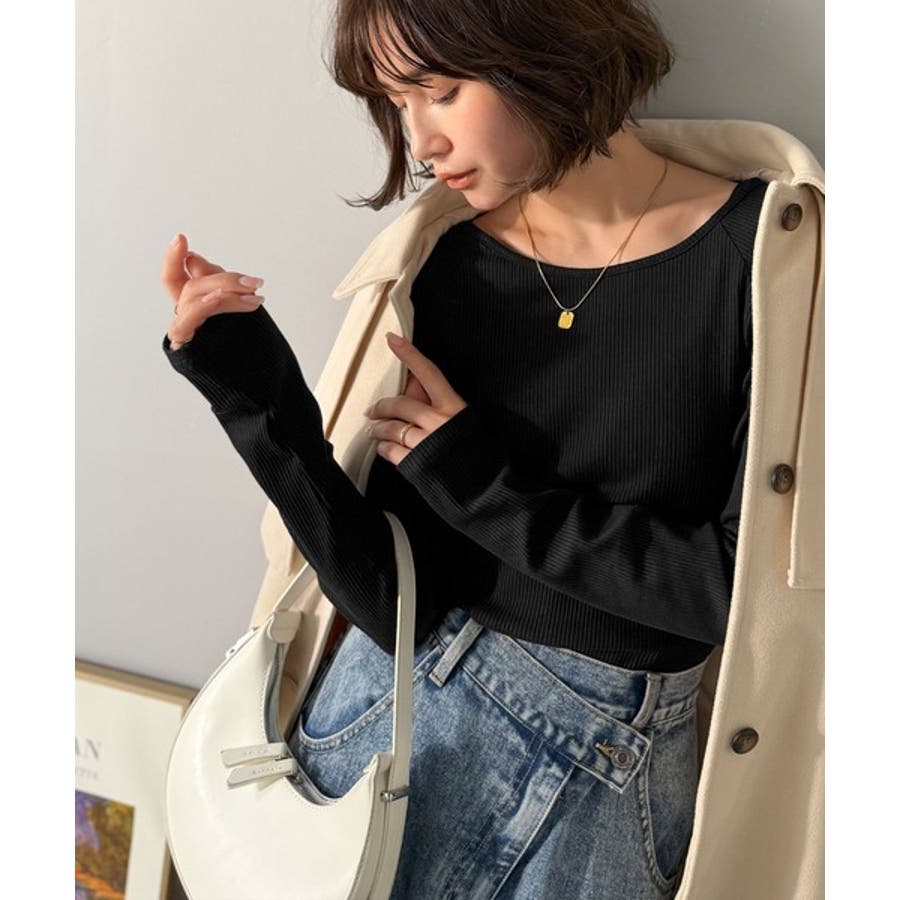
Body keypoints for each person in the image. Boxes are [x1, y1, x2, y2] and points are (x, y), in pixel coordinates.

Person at [159, 2, 775, 898]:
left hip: (597, 785)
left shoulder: (767, 263)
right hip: (381, 724)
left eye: (440, 92)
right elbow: (392, 599)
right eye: (396, 103)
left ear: (545, 45)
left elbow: (735, 594)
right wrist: (250, 387)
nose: (420, 142)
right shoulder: (447, 266)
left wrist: (486, 490)